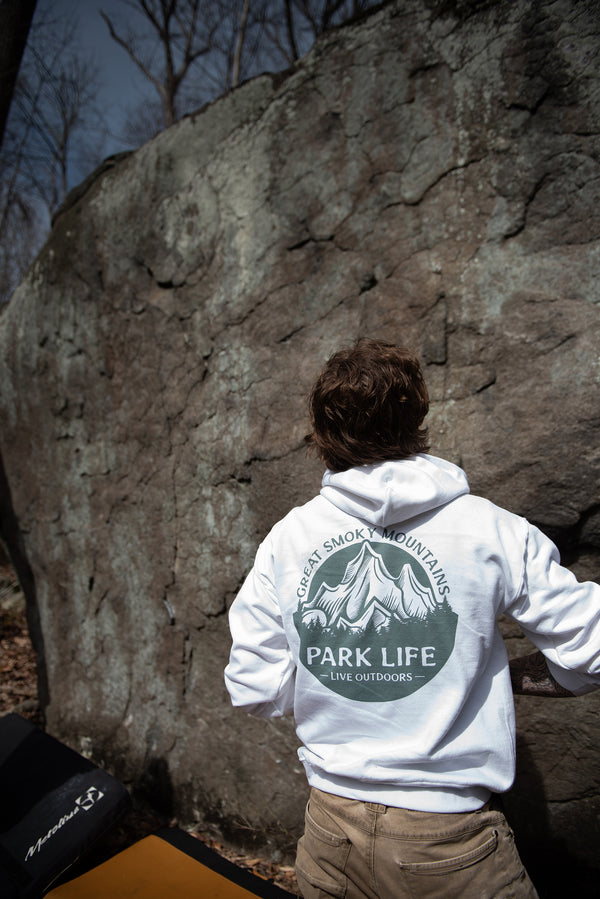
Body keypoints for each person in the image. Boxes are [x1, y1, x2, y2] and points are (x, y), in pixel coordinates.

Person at [224, 338, 600, 898]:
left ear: (323, 433)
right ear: (417, 416)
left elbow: (254, 688)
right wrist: (503, 675)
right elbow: (591, 654)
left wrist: (345, 676)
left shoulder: (290, 539)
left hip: (330, 836)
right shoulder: (492, 530)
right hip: (451, 846)